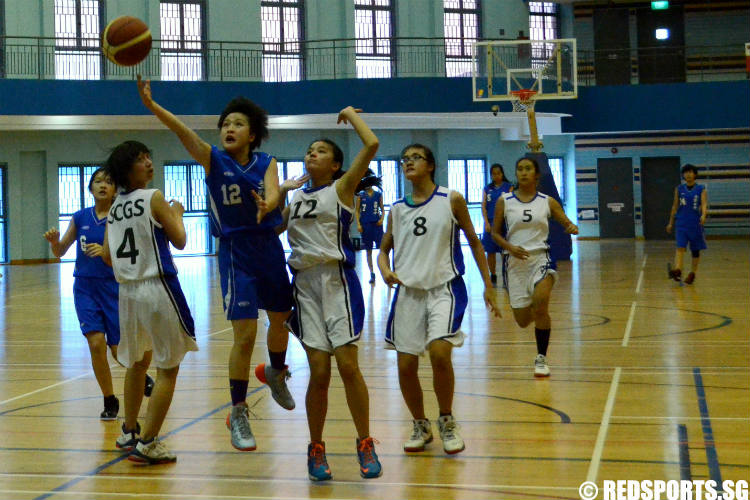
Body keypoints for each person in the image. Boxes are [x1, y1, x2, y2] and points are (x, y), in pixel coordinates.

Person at [137, 76, 294, 452]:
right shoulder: (213, 159)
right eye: (225, 124)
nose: (229, 128)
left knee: (281, 319)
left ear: (253, 134)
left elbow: (273, 191)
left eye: (238, 124)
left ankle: (275, 369)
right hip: (236, 251)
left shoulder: (266, 162)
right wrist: (154, 107)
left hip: (269, 248)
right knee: (245, 334)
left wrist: (270, 203)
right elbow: (182, 132)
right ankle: (237, 411)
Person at [280, 107, 382, 481]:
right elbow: (269, 225)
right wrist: (276, 194)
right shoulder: (295, 198)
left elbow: (371, 143)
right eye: (310, 150)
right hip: (304, 285)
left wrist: (352, 115)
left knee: (348, 365)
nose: (312, 154)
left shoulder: (340, 189)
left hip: (337, 281)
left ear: (336, 164)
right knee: (319, 372)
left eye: (321, 150)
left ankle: (365, 442)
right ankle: (316, 448)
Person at [378, 144, 500, 455]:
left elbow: (474, 241)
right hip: (407, 292)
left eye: (415, 158)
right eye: (404, 159)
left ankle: (446, 419)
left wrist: (488, 284)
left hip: (444, 287)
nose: (408, 163)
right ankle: (420, 424)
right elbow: (382, 250)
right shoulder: (396, 208)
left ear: (431, 165)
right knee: (405, 365)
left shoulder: (452, 199)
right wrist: (385, 269)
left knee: (440, 354)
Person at [102, 140, 198, 464]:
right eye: (141, 159)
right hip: (157, 287)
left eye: (148, 156)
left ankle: (128, 431)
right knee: (168, 367)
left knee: (136, 363)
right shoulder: (153, 197)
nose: (148, 162)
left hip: (126, 292)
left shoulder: (114, 207)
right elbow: (181, 240)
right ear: (127, 170)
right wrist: (177, 212)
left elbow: (106, 255)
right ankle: (149, 443)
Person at [43, 168, 153, 420]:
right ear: (90, 188)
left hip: (114, 287)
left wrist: (107, 253)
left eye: (109, 181)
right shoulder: (80, 217)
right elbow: (60, 251)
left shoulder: (121, 216)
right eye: (98, 181)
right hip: (85, 287)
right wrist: (54, 242)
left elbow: (134, 254)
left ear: (116, 189)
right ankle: (109, 399)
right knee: (95, 344)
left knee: (117, 349)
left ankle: (141, 376)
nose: (103, 185)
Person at [491, 156, 578, 378]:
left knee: (541, 304)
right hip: (515, 263)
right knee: (521, 320)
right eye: (519, 169)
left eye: (528, 169)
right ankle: (537, 315)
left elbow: (564, 220)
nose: (523, 172)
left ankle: (541, 358)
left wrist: (571, 226)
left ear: (537, 175)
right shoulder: (505, 200)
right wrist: (510, 247)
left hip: (541, 258)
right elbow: (494, 233)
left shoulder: (546, 201)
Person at [666, 164, 707, 285]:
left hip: (695, 223)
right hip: (681, 223)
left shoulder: (701, 189)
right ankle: (678, 270)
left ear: (695, 174)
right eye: (685, 172)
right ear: (683, 175)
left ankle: (692, 273)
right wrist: (670, 222)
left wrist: (704, 214)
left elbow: (704, 204)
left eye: (690, 172)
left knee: (695, 250)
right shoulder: (679, 189)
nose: (688, 174)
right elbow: (674, 206)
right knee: (680, 247)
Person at [480, 163, 513, 286]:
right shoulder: (487, 189)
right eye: (494, 174)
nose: (496, 176)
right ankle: (493, 275)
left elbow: (512, 205)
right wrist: (486, 222)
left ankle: (506, 274)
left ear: (502, 173)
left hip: (504, 224)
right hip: (490, 223)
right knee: (490, 251)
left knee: (505, 251)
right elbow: (483, 206)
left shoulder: (508, 187)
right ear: (491, 175)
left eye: (498, 173)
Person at [354, 172, 385, 284]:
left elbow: (382, 209)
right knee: (368, 250)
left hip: (376, 225)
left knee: (382, 249)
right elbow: (357, 211)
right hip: (365, 225)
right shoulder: (360, 195)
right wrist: (358, 224)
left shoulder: (378, 195)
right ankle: (372, 273)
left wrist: (381, 219)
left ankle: (386, 271)